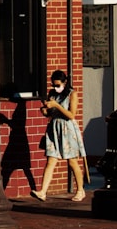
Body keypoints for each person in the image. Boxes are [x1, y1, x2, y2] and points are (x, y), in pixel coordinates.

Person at [31, 69, 87, 202]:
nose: (56, 88)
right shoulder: (52, 94)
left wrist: (56, 105)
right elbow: (50, 114)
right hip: (54, 128)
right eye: (54, 85)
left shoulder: (72, 94)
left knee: (72, 161)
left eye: (58, 85)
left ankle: (80, 190)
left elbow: (71, 115)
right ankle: (43, 191)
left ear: (65, 82)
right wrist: (45, 111)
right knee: (51, 160)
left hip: (68, 129)